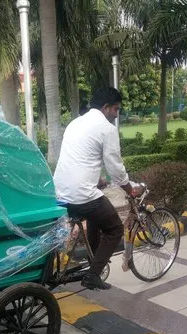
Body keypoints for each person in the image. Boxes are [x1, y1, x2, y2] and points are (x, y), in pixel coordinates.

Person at [53, 86, 133, 290]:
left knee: (98, 216)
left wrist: (97, 181)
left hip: (61, 194)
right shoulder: (106, 129)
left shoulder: (75, 123)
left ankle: (93, 262)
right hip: (81, 195)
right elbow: (114, 165)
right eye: (116, 109)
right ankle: (93, 275)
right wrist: (129, 188)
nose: (116, 115)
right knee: (115, 229)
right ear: (106, 108)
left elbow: (79, 158)